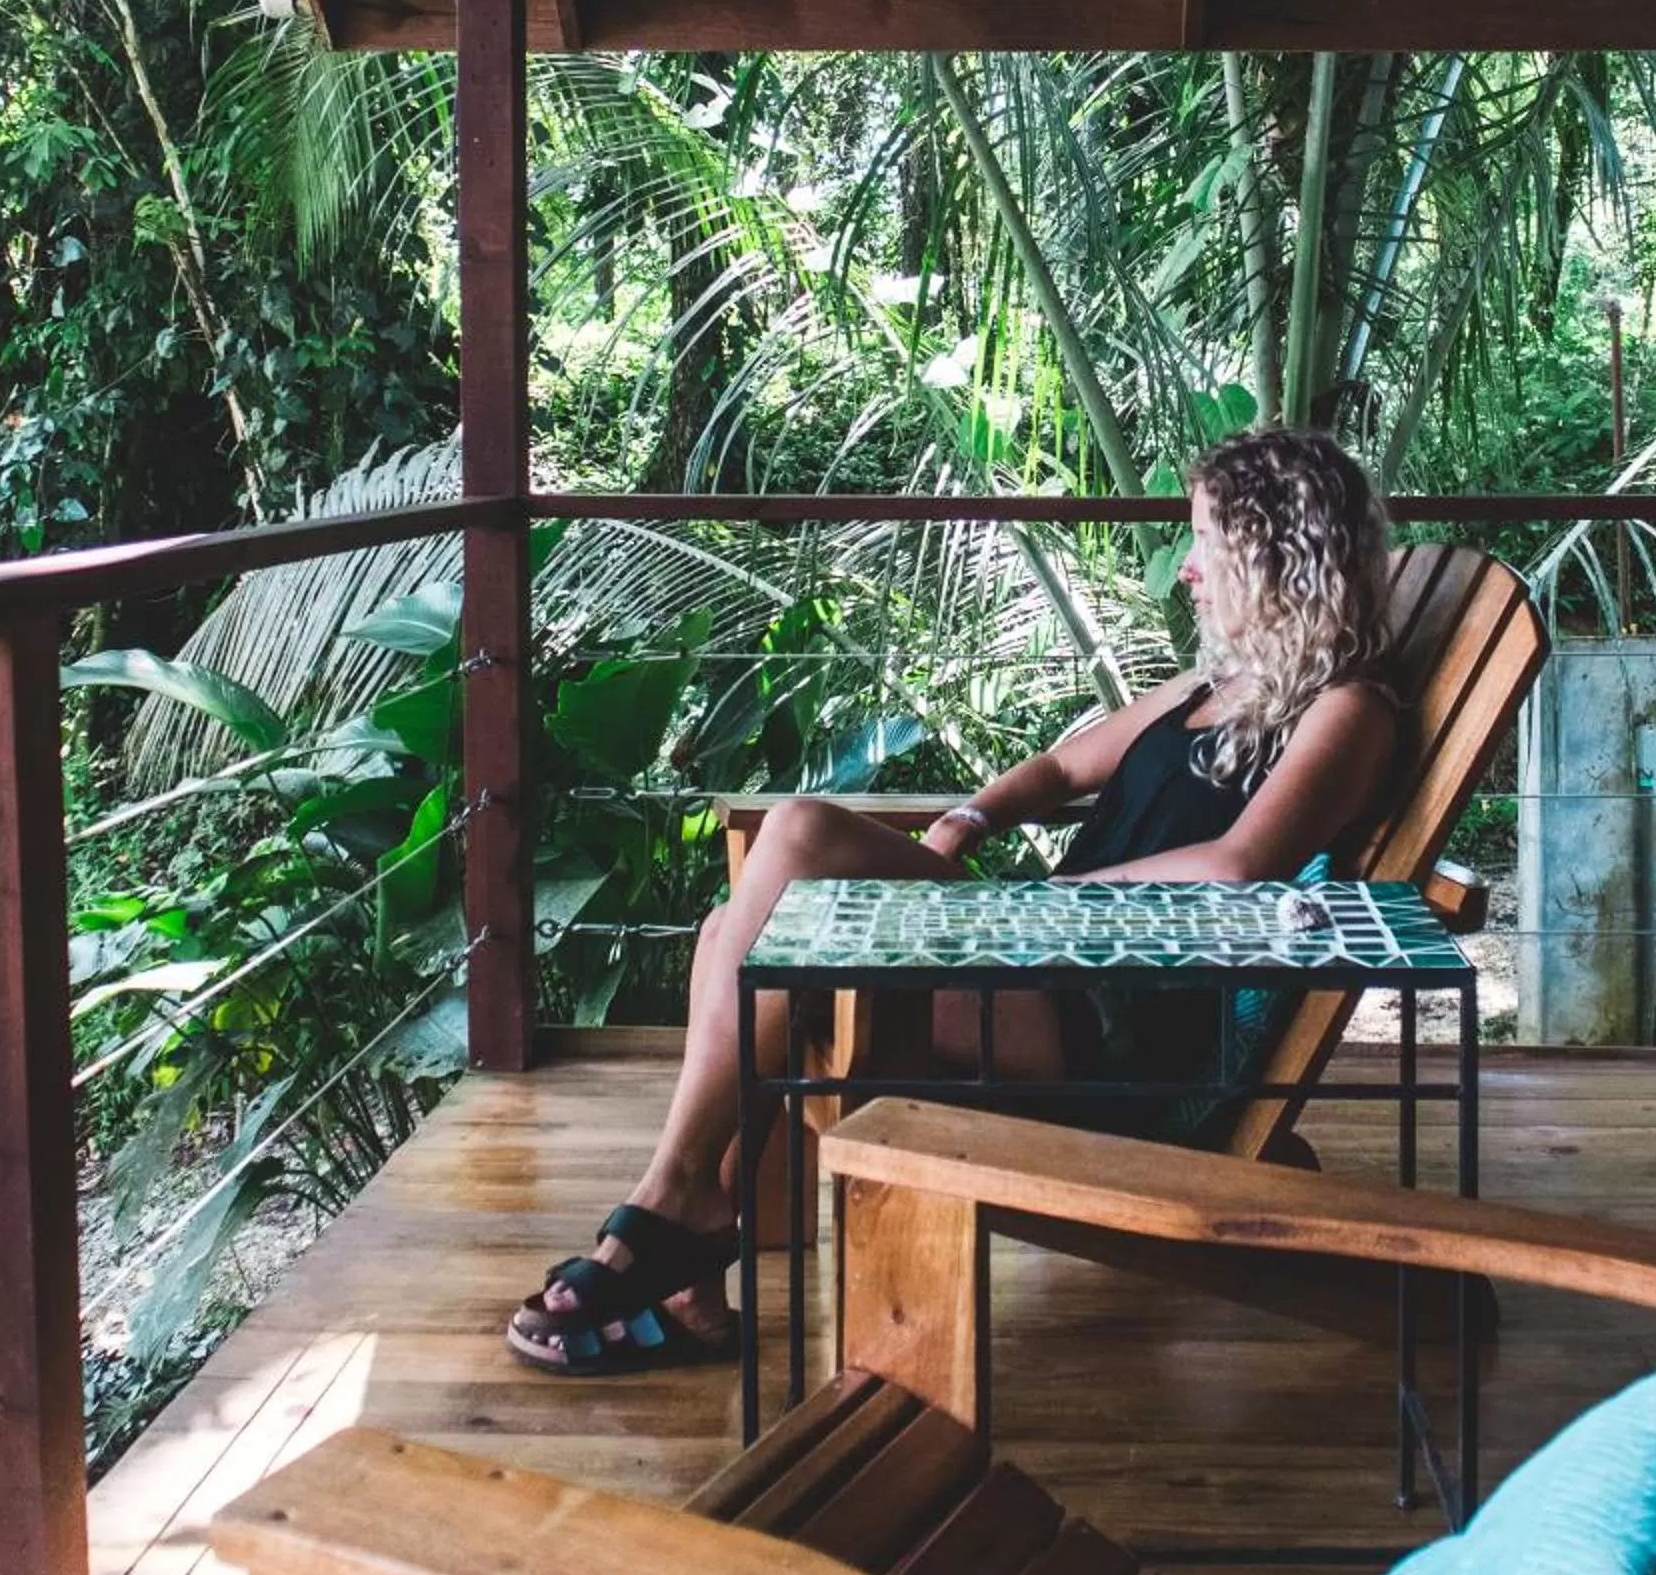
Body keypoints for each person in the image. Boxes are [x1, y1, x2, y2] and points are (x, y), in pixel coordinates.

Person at [506, 427, 1401, 1375]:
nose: (1185, 571)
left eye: (1204, 543)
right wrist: (967, 823)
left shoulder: (1348, 710)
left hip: (1125, 1007)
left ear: (1272, 556)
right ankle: (688, 1252)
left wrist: (1050, 907)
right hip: (1047, 952)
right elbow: (1062, 766)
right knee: (734, 928)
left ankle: (674, 1209)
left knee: (801, 837)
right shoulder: (1211, 687)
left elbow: (1237, 865)